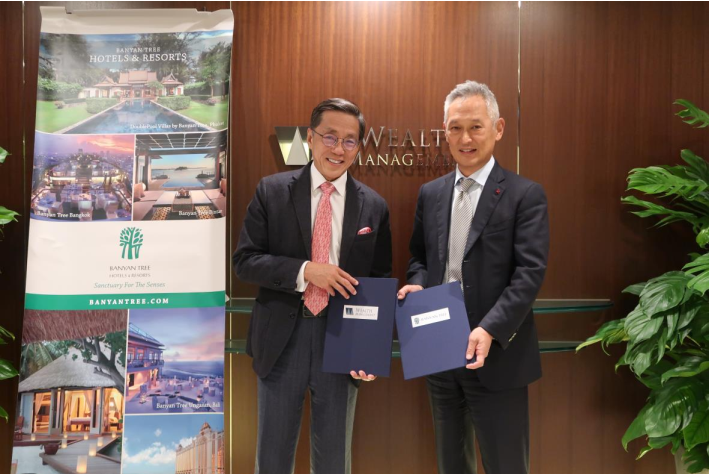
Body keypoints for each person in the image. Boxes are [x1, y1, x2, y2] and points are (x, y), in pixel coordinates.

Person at [234, 98, 392, 474]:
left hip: (342, 341)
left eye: (349, 140)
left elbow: (379, 281)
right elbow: (245, 261)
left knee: (334, 459)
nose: (339, 149)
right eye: (330, 137)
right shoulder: (272, 191)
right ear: (310, 137)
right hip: (281, 339)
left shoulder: (374, 206)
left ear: (358, 146)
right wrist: (307, 271)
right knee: (272, 458)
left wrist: (370, 350)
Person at [398, 80, 549, 474]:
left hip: (497, 355)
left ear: (498, 129)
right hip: (439, 351)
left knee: (506, 464)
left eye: (476, 127)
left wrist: (490, 328)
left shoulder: (524, 194)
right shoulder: (431, 193)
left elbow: (529, 272)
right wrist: (418, 282)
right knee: (451, 463)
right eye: (455, 128)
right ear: (445, 132)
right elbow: (420, 257)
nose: (465, 138)